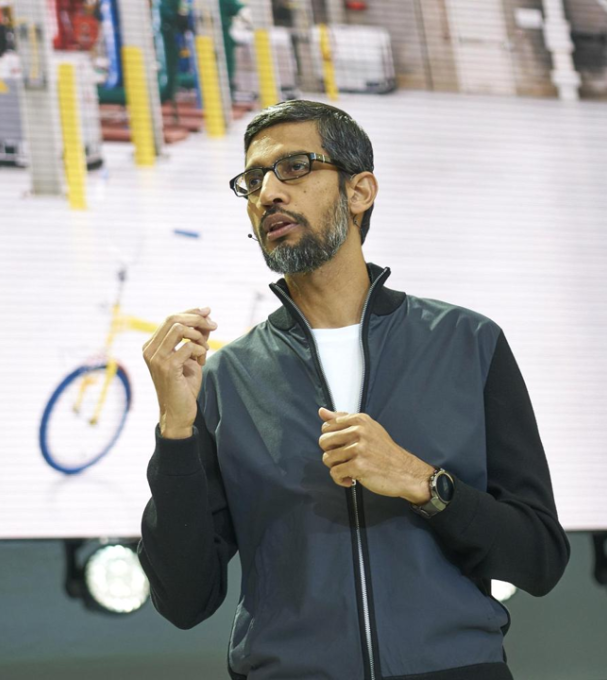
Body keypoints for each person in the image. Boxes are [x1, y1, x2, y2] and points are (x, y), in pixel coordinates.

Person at [138, 100, 569, 680]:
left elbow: (539, 559)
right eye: (253, 181)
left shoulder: (469, 343)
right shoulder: (226, 380)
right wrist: (175, 430)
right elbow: (184, 600)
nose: (267, 194)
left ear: (359, 191)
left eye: (293, 168)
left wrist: (422, 484)